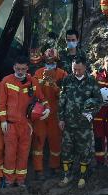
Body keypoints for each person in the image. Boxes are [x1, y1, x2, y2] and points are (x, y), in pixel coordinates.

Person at [0, 57, 48, 188]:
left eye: (23, 69)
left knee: (23, 154)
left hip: (26, 125)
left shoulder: (33, 82)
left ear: (27, 69)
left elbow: (42, 98)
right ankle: (9, 180)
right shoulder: (6, 81)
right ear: (14, 67)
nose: (20, 71)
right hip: (11, 125)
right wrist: (3, 121)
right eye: (18, 69)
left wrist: (47, 109)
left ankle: (20, 180)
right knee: (10, 154)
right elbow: (1, 104)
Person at [57, 57, 101, 188]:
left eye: (79, 69)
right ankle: (67, 175)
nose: (76, 72)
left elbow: (98, 101)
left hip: (83, 125)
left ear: (85, 68)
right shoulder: (67, 80)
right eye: (74, 69)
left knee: (84, 151)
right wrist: (60, 118)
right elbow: (62, 100)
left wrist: (91, 114)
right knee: (66, 151)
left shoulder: (91, 81)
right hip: (68, 124)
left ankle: (83, 176)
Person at [31, 49, 67, 179]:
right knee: (38, 140)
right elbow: (32, 92)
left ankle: (54, 166)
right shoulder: (38, 73)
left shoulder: (63, 74)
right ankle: (38, 169)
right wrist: (40, 82)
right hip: (40, 112)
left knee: (55, 140)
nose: (50, 63)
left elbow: (65, 95)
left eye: (52, 61)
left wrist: (54, 86)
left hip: (55, 112)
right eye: (47, 61)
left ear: (57, 61)